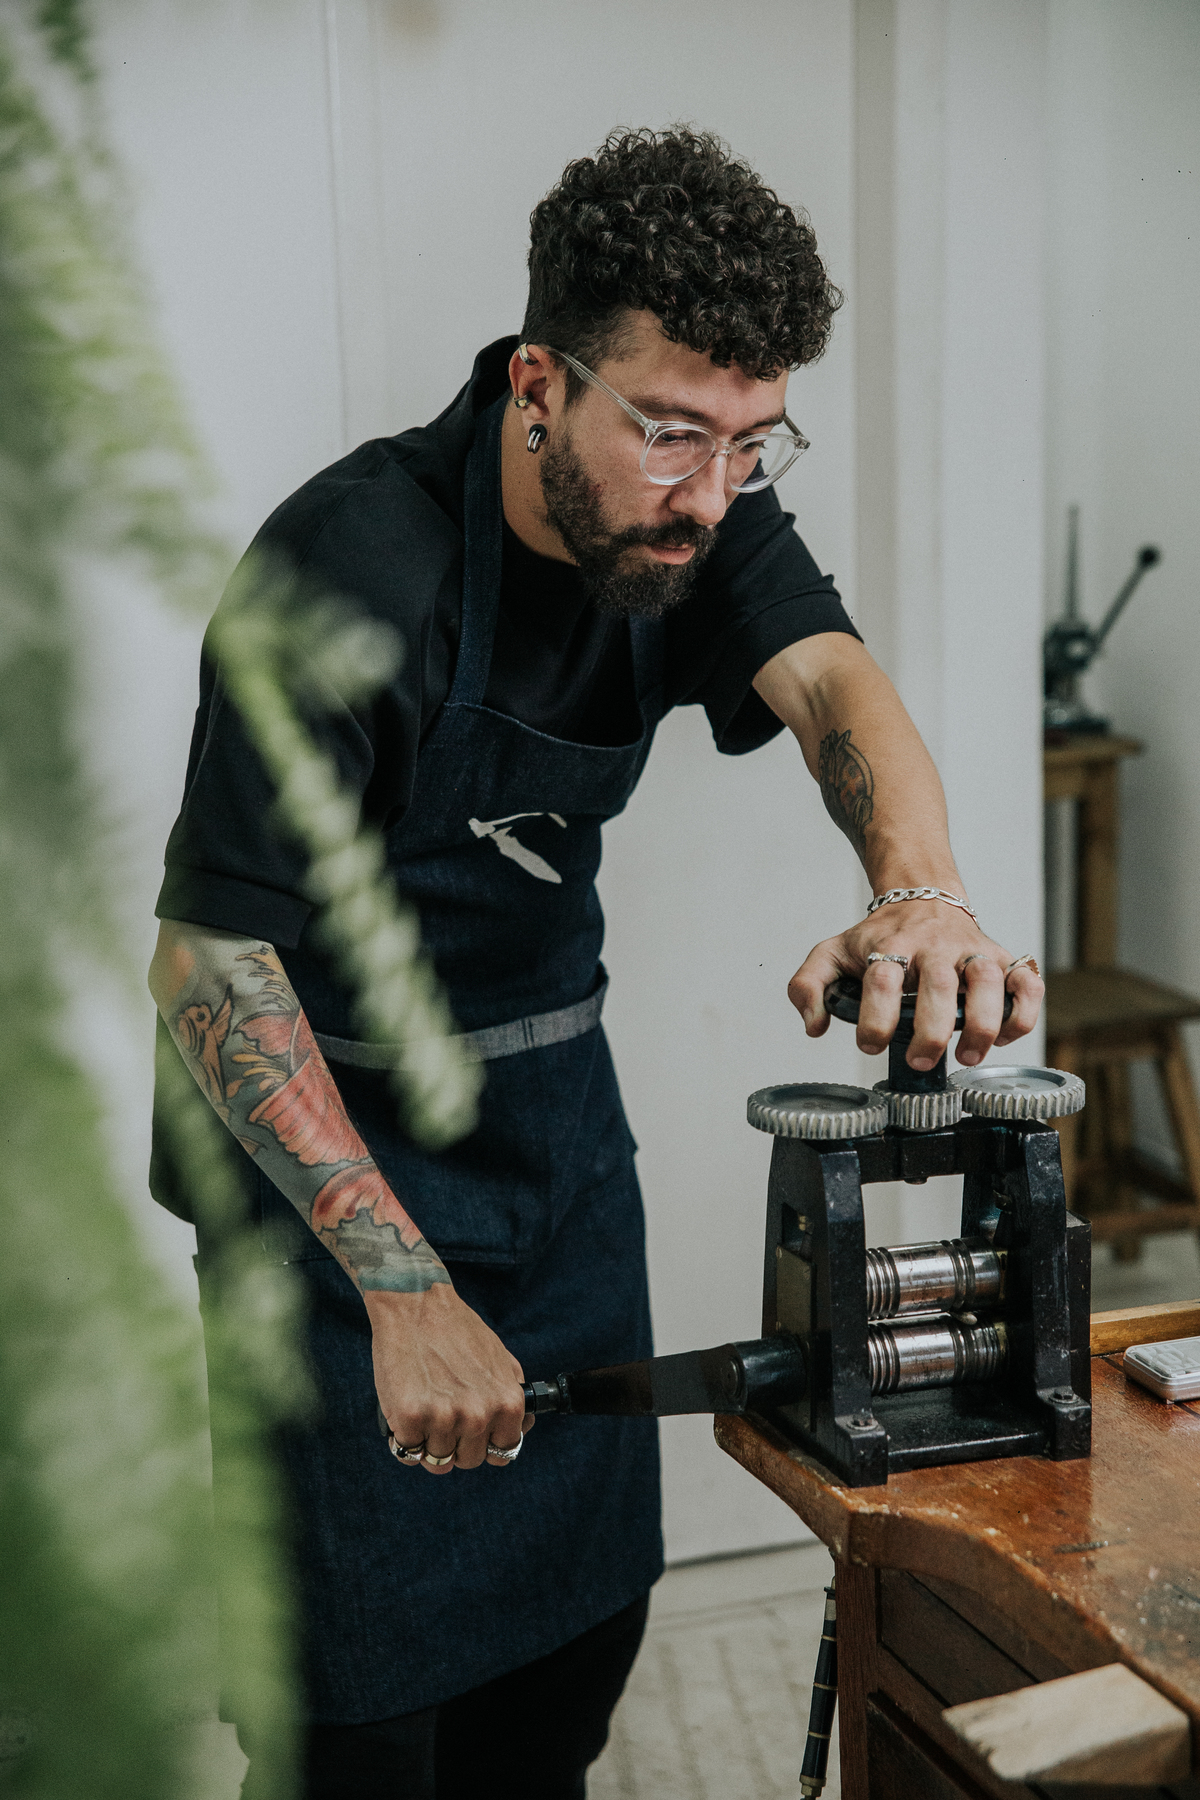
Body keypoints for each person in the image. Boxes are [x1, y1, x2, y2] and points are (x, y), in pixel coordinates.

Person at [149, 127, 1043, 1797]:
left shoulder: (697, 520)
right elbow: (212, 968)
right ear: (542, 383)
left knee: (566, 1668)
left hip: (554, 1139)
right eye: (670, 435)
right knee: (358, 1720)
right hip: (328, 1175)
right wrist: (403, 1295)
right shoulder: (349, 568)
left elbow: (839, 688)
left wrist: (923, 893)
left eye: (752, 445)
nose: (708, 495)